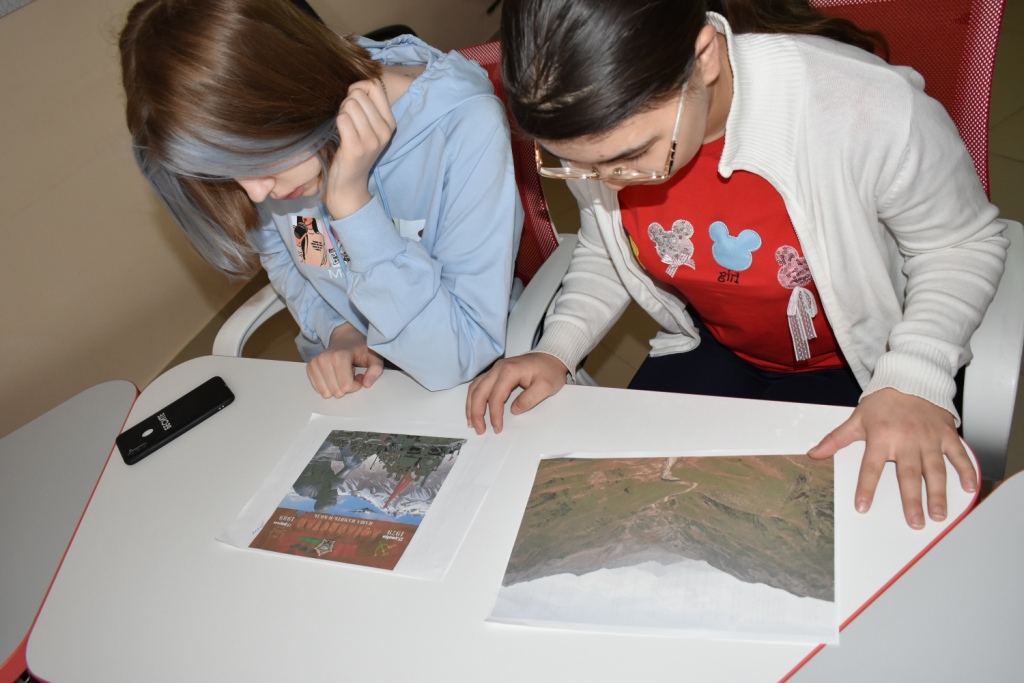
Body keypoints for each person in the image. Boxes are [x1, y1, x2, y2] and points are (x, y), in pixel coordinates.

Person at [466, 0, 1008, 530]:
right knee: (624, 515)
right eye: (575, 164)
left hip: (868, 364)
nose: (608, 182)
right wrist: (557, 348)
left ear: (704, 57)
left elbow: (961, 246)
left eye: (630, 156)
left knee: (842, 534)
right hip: (716, 345)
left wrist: (913, 379)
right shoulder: (600, 139)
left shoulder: (862, 106)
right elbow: (607, 248)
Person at [119, 0, 523, 396]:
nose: (257, 192)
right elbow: (293, 253)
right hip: (376, 391)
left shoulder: (464, 128)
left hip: (470, 383)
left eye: (254, 160)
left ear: (293, 90)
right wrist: (339, 328)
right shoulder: (281, 162)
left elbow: (456, 358)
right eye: (228, 172)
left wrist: (353, 207)